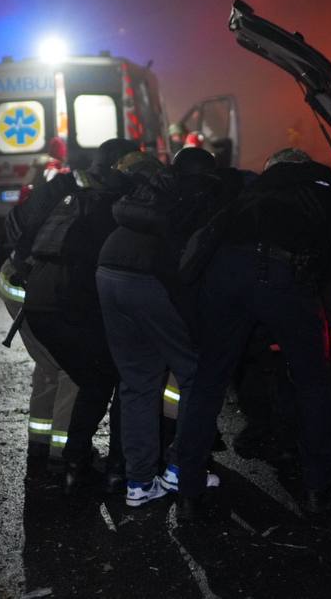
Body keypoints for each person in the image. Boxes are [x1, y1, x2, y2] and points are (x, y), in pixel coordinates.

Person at [175, 148, 331, 518]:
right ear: (303, 164)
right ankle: (317, 488)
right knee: (312, 383)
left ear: (273, 168)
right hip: (283, 275)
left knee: (209, 381)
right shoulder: (328, 192)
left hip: (226, 273)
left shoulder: (254, 190)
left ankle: (188, 493)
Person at [96, 147, 237, 507]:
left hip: (109, 269)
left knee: (137, 382)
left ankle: (140, 483)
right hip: (149, 278)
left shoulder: (154, 188)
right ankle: (181, 470)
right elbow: (192, 262)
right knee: (196, 377)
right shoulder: (203, 195)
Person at [19, 139, 140, 493]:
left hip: (38, 300)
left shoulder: (67, 191)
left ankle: (69, 461)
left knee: (85, 379)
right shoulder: (116, 199)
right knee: (104, 379)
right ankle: (87, 464)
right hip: (70, 302)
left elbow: (23, 231)